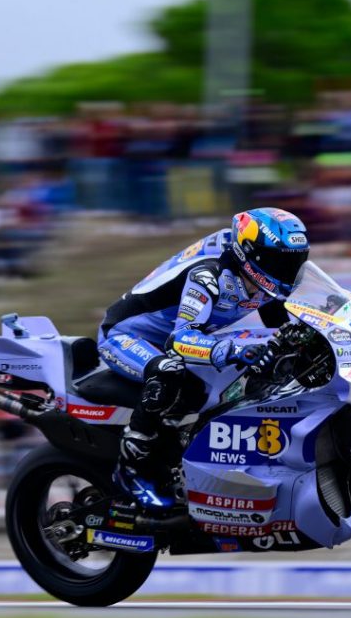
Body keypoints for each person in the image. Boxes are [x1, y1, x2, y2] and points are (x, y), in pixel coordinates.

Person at [97, 208, 311, 509]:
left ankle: (182, 455)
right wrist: (233, 351)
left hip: (171, 338)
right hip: (125, 336)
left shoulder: (263, 281)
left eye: (295, 262)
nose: (289, 270)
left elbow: (282, 327)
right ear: (251, 255)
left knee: (208, 388)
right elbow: (180, 340)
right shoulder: (208, 275)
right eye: (281, 261)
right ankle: (130, 466)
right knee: (169, 371)